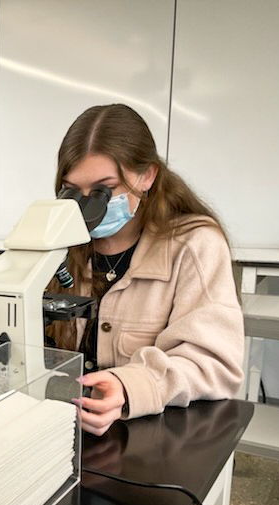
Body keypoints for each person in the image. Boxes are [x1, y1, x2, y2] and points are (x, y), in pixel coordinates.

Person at [47, 104, 244, 436]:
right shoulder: (62, 242)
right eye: (73, 191)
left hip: (151, 436)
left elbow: (216, 365)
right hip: (69, 429)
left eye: (102, 190)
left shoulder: (194, 244)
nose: (87, 207)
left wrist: (128, 387)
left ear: (147, 176)